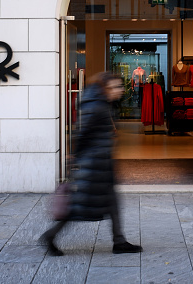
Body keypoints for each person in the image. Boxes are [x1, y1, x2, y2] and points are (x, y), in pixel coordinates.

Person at [40, 72, 142, 256]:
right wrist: (75, 158)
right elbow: (82, 133)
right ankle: (50, 235)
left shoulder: (102, 104)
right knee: (77, 206)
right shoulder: (96, 106)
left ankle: (119, 241)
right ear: (105, 88)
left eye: (120, 86)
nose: (120, 90)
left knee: (112, 201)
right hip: (93, 165)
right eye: (116, 87)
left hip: (102, 162)